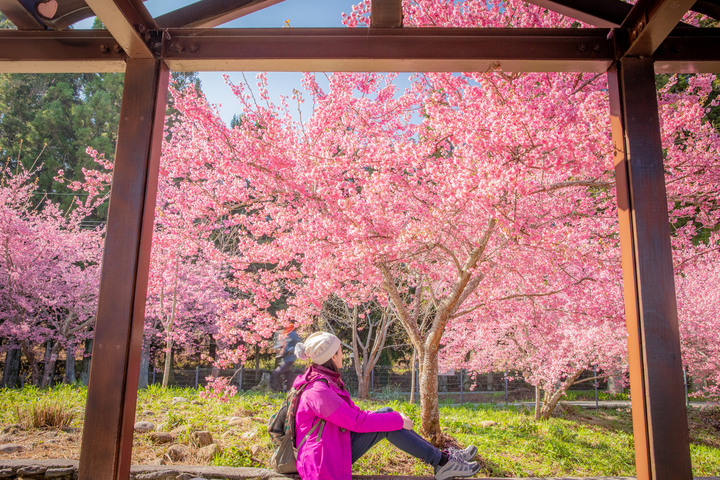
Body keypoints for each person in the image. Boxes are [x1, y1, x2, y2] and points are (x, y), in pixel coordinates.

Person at [292, 331, 481, 480]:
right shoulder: (318, 391)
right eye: (341, 351)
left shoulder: (327, 382)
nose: (344, 355)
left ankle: (442, 459)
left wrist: (392, 418)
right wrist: (397, 420)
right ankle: (442, 462)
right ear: (333, 356)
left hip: (334, 446)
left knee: (386, 414)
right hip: (322, 462)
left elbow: (355, 414)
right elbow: (356, 421)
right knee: (388, 423)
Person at [270, 324, 300, 391]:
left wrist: (288, 350)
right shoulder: (283, 334)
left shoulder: (293, 334)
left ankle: (276, 389)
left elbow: (297, 344)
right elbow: (280, 345)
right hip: (284, 358)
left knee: (276, 372)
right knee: (288, 375)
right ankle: (288, 389)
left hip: (289, 358)